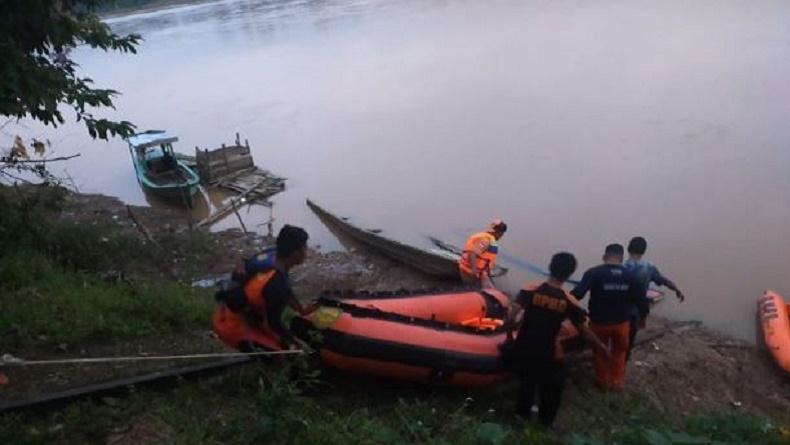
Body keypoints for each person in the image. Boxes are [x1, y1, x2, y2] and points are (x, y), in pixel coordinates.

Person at [510, 252, 609, 427]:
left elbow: (512, 316)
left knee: (527, 383)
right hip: (548, 352)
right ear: (569, 274)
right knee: (553, 388)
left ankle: (520, 417)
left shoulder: (529, 290)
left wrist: (509, 331)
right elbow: (584, 332)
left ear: (549, 267)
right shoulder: (569, 301)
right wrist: (602, 347)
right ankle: (545, 423)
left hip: (524, 346)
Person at [213, 225, 315, 352]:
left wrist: (301, 310)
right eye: (304, 248)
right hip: (233, 324)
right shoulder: (277, 284)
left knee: (280, 339)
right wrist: (296, 341)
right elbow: (274, 323)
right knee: (281, 355)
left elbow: (286, 292)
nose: (307, 252)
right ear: (295, 253)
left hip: (228, 309)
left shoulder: (272, 253)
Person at [571, 244, 646, 391]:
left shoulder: (593, 273)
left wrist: (564, 305)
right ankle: (617, 383)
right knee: (620, 352)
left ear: (604, 257)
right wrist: (642, 317)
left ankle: (602, 382)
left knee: (600, 351)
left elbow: (577, 294)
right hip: (622, 323)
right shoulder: (630, 276)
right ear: (622, 258)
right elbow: (641, 300)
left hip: (599, 323)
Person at [624, 236, 685, 359]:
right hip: (637, 311)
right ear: (644, 251)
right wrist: (677, 289)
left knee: (616, 339)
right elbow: (663, 281)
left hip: (619, 310)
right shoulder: (648, 267)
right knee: (629, 340)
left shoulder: (621, 267)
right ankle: (622, 364)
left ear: (628, 249)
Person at [458, 219, 507, 288]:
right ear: (499, 232)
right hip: (471, 272)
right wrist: (474, 271)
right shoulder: (486, 240)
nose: (501, 236)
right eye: (501, 233)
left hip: (469, 269)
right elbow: (473, 253)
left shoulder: (483, 236)